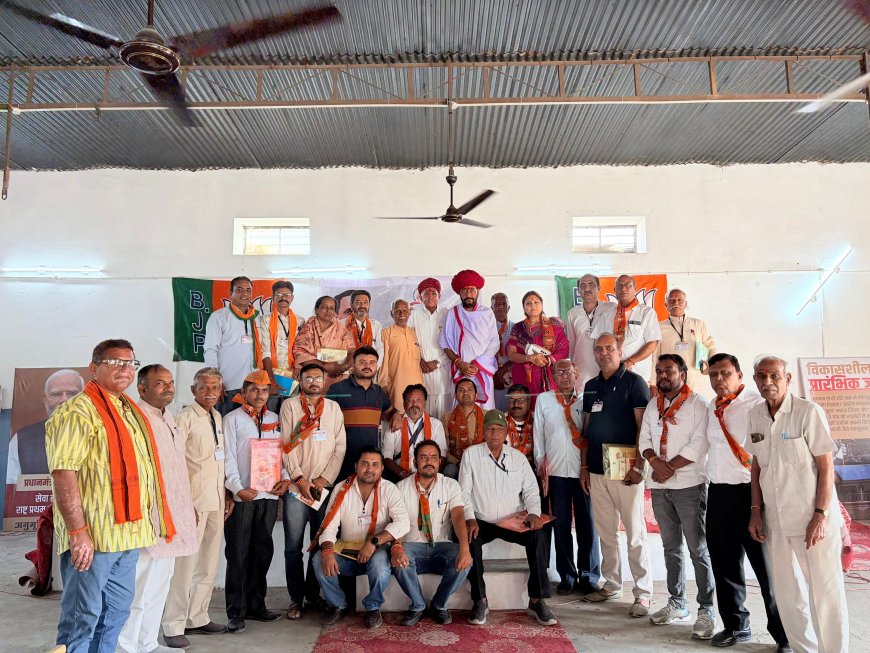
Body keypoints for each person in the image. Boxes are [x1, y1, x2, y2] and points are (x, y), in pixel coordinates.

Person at [46, 339, 175, 653]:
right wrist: (78, 533)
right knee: (82, 616)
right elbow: (64, 472)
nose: (124, 369)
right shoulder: (78, 411)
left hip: (128, 535)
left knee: (115, 614)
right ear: (94, 368)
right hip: (95, 537)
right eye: (115, 362)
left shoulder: (128, 410)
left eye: (130, 363)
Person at [747, 356, 848, 653]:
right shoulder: (755, 415)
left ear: (788, 379)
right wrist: (756, 512)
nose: (768, 382)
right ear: (755, 380)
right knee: (787, 592)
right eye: (761, 376)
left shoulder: (808, 412)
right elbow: (757, 467)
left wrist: (820, 515)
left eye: (774, 376)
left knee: (824, 592)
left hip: (811, 519)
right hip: (775, 520)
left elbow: (826, 467)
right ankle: (804, 649)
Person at [703, 353, 790, 650]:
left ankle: (784, 635)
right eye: (713, 374)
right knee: (724, 564)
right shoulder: (712, 406)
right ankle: (736, 625)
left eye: (725, 373)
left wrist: (758, 506)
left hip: (751, 495)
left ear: (740, 376)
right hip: (717, 493)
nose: (719, 379)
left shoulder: (757, 404)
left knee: (767, 569)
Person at [118, 365, 198, 653]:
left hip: (173, 515)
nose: (168, 387)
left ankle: (148, 643)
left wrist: (186, 506)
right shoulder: (135, 418)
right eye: (160, 383)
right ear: (142, 388)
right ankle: (126, 645)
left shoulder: (169, 417)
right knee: (138, 585)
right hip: (149, 516)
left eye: (170, 382)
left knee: (160, 583)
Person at [637, 354, 715, 639]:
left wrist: (669, 467)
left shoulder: (698, 404)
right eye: (659, 371)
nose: (663, 375)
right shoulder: (653, 405)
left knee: (698, 549)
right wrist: (655, 463)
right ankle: (677, 602)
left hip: (689, 485)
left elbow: (700, 443)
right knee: (671, 548)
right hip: (660, 486)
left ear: (682, 373)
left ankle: (707, 609)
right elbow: (644, 438)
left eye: (668, 370)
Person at [460, 409, 557, 626]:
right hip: (482, 521)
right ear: (483, 431)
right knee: (468, 537)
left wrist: (533, 513)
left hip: (512, 521)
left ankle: (537, 599)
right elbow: (464, 491)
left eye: (499, 429)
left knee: (539, 534)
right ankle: (480, 600)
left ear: (506, 433)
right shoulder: (471, 455)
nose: (494, 433)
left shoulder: (518, 458)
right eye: (490, 429)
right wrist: (469, 517)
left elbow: (531, 490)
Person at [580, 333, 653, 617]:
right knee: (606, 532)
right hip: (597, 469)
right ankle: (612, 584)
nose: (604, 353)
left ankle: (643, 593)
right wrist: (584, 467)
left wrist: (639, 466)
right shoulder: (590, 386)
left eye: (609, 348)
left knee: (635, 534)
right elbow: (586, 431)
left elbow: (642, 428)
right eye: (598, 349)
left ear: (620, 351)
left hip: (626, 469)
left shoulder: (634, 382)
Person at [162, 367, 234, 648]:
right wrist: (183, 503)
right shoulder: (184, 418)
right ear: (193, 390)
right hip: (193, 503)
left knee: (208, 563)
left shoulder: (217, 416)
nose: (210, 392)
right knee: (184, 566)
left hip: (216, 501)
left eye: (215, 387)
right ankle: (173, 624)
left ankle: (198, 617)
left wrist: (226, 494)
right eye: (203, 387)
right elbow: (175, 462)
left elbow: (218, 461)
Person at [312, 447, 410, 630]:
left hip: (376, 550)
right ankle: (337, 605)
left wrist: (374, 542)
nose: (370, 469)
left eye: (375, 465)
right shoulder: (342, 488)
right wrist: (327, 551)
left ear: (382, 469)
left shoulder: (389, 489)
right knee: (319, 559)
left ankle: (373, 607)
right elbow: (329, 525)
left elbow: (403, 523)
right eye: (365, 464)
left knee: (380, 564)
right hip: (347, 550)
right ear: (356, 466)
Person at [223, 369, 289, 633]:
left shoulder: (274, 419)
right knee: (238, 554)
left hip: (269, 496)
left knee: (262, 552)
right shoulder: (232, 420)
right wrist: (237, 489)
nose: (260, 395)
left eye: (264, 390)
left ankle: (257, 605)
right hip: (243, 497)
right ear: (244, 391)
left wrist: (285, 479)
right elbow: (228, 458)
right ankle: (236, 611)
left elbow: (282, 455)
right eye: (254, 390)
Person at [278, 362, 347, 620]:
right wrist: (299, 479)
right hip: (297, 488)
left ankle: (313, 594)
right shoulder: (289, 406)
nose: (313, 382)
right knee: (293, 547)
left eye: (318, 378)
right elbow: (285, 444)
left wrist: (323, 479)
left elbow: (340, 446)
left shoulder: (333, 408)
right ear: (300, 379)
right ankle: (296, 599)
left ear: (325, 380)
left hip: (322, 488)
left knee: (318, 545)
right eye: (308, 378)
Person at [533, 360, 601, 596]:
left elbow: (592, 435)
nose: (564, 376)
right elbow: (539, 436)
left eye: (568, 372)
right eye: (559, 372)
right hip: (556, 473)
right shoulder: (544, 400)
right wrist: (541, 468)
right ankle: (567, 576)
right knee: (561, 526)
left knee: (587, 525)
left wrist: (589, 467)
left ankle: (589, 576)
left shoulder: (586, 399)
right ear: (553, 376)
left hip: (583, 472)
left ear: (577, 373)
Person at [391, 440, 472, 625]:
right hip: (412, 546)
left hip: (441, 546)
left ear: (439, 462)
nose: (429, 461)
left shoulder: (450, 485)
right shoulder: (400, 488)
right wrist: (397, 548)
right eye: (423, 457)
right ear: (415, 462)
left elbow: (458, 517)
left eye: (434, 457)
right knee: (399, 558)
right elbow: (397, 522)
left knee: (464, 559)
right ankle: (418, 605)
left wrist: (465, 549)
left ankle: (439, 604)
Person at [326, 346, 394, 482]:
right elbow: (324, 419)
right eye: (362, 362)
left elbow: (389, 411)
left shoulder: (379, 392)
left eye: (372, 363)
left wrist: (396, 414)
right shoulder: (338, 389)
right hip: (341, 460)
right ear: (353, 365)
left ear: (376, 367)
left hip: (369, 464)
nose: (367, 366)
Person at [6, 368, 84, 484]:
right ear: (45, 399)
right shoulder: (21, 440)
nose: (64, 400)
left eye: (72, 393)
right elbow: (12, 488)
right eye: (56, 394)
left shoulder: (101, 434)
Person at [440, 269, 500, 409]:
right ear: (459, 293)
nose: (468, 294)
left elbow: (495, 342)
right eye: (464, 290)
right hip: (462, 372)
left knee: (484, 413)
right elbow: (445, 345)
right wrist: (460, 364)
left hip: (482, 370)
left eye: (471, 290)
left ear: (477, 292)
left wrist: (477, 365)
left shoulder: (487, 313)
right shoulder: (452, 313)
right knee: (461, 412)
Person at [204, 276, 260, 415]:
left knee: (251, 425)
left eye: (248, 290)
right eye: (239, 289)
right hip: (229, 385)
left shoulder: (258, 318)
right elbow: (210, 350)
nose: (244, 293)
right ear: (230, 293)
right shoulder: (219, 317)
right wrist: (215, 381)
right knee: (227, 424)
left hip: (255, 386)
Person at [506, 291, 569, 408]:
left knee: (550, 409)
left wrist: (548, 360)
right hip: (524, 377)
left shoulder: (555, 326)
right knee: (525, 409)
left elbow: (564, 349)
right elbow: (511, 354)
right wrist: (530, 358)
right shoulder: (517, 328)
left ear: (542, 305)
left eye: (536, 302)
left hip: (550, 376)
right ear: (524, 307)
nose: (533, 306)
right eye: (528, 303)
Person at [651, 289, 718, 397]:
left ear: (686, 304)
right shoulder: (658, 327)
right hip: (670, 381)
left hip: (696, 379)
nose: (676, 303)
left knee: (697, 405)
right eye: (672, 300)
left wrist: (712, 366)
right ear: (666, 305)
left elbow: (711, 347)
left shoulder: (699, 325)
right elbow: (654, 357)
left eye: (680, 300)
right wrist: (653, 384)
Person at [381, 384, 448, 482]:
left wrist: (430, 477)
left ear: (425, 403)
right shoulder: (395, 423)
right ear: (404, 403)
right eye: (410, 400)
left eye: (418, 400)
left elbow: (442, 456)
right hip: (399, 476)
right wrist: (403, 475)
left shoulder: (436, 424)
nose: (414, 404)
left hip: (428, 475)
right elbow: (386, 457)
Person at [408, 277, 452, 419]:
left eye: (433, 293)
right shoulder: (413, 315)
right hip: (421, 373)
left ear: (439, 296)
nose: (430, 296)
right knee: (423, 418)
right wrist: (419, 360)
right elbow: (409, 342)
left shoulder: (447, 314)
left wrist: (438, 362)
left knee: (443, 419)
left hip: (442, 376)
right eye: (426, 293)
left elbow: (453, 344)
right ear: (420, 297)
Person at [565, 274, 617, 393]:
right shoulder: (572, 313)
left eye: (591, 285)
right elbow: (572, 343)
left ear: (599, 288)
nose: (587, 289)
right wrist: (572, 366)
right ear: (578, 290)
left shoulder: (611, 308)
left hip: (607, 365)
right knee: (585, 400)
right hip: (582, 368)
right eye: (583, 285)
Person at [293, 295, 355, 393]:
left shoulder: (341, 329)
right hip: (313, 377)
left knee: (334, 401)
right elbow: (300, 352)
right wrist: (324, 365)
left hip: (338, 376)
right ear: (316, 309)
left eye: (331, 308)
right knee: (313, 401)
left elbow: (352, 351)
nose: (328, 310)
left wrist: (344, 366)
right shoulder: (308, 328)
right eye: (324, 307)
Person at [611, 275, 661, 385]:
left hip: (638, 375)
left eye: (628, 285)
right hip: (612, 374)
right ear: (615, 290)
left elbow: (652, 344)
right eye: (619, 285)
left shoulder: (647, 312)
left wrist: (629, 362)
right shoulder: (609, 313)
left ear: (635, 288)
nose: (623, 288)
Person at [378, 299, 424, 411]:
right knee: (397, 416)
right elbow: (383, 360)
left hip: (417, 383)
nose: (401, 314)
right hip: (396, 384)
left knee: (416, 415)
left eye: (404, 310)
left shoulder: (414, 332)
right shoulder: (386, 333)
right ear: (391, 313)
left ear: (409, 312)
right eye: (397, 311)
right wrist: (383, 383)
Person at [259, 279, 303, 390]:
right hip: (272, 372)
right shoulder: (265, 320)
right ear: (273, 298)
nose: (283, 298)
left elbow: (302, 348)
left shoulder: (300, 321)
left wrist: (299, 366)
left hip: (294, 373)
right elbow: (265, 351)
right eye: (279, 295)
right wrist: (271, 380)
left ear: (292, 298)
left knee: (292, 400)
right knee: (272, 400)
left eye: (287, 295)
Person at [441, 378, 485, 478]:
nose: (466, 393)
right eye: (461, 390)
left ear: (476, 395)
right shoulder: (447, 418)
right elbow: (444, 449)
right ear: (456, 396)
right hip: (456, 463)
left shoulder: (486, 416)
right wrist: (458, 463)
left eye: (470, 390)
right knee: (449, 470)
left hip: (481, 462)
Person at [491, 292, 514, 410]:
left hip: (512, 378)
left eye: (503, 304)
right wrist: (495, 373)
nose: (500, 307)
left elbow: (521, 354)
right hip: (491, 377)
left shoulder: (517, 328)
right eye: (497, 304)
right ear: (491, 308)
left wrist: (502, 371)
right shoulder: (484, 328)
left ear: (508, 308)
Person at [347, 289, 384, 362]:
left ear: (369, 305)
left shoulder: (376, 325)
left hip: (370, 367)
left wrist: (375, 366)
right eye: (358, 302)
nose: (362, 305)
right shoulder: (342, 325)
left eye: (365, 302)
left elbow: (380, 349)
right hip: (349, 367)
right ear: (351, 305)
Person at [505, 384, 535, 468]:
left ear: (528, 403)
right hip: (508, 469)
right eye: (512, 400)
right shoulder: (501, 421)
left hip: (534, 469)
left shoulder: (537, 419)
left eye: (521, 400)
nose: (516, 404)